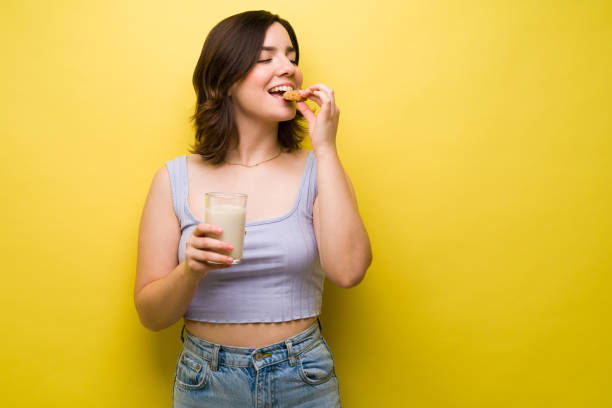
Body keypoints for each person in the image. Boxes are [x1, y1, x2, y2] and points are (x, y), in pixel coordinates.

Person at [134, 10, 372, 407]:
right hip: (205, 380)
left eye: (292, 57)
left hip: (303, 377)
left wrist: (326, 147)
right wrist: (189, 270)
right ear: (225, 80)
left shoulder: (319, 169)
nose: (289, 69)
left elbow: (349, 272)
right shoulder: (173, 179)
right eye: (266, 58)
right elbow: (151, 316)